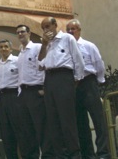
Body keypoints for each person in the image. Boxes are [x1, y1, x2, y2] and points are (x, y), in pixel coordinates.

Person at [38, 17, 84, 159]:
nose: (46, 29)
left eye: (48, 26)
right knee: (53, 120)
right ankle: (60, 155)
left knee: (67, 120)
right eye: (43, 27)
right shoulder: (45, 44)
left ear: (55, 25)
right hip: (49, 79)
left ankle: (75, 154)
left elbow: (78, 60)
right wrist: (44, 45)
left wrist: (75, 80)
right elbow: (39, 64)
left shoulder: (67, 39)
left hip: (64, 77)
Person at [66, 19, 110, 159]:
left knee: (98, 121)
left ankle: (103, 153)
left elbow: (99, 63)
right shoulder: (66, 49)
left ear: (79, 29)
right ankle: (88, 155)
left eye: (73, 29)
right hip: (74, 86)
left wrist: (99, 82)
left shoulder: (88, 45)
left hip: (89, 83)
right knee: (81, 122)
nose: (71, 32)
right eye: (68, 30)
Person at [15, 24, 53, 158]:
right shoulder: (20, 53)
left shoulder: (37, 47)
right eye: (18, 32)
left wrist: (44, 88)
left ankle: (48, 156)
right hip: (23, 93)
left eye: (23, 32)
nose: (20, 34)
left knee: (42, 127)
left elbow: (45, 66)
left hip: (36, 91)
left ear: (29, 33)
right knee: (26, 130)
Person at [0, 39, 21, 159]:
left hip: (14, 96)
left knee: (19, 129)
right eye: (1, 47)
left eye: (6, 46)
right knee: (5, 132)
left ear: (11, 49)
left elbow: (22, 78)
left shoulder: (17, 60)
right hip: (2, 98)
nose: (3, 49)